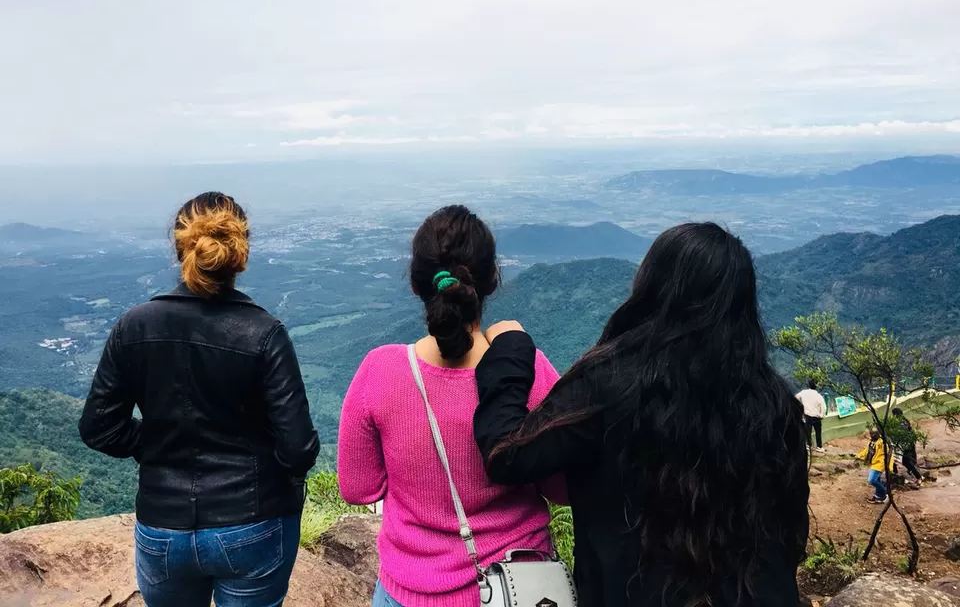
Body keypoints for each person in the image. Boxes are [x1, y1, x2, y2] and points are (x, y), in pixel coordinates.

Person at [474, 222, 810, 607]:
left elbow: (507, 454)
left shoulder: (609, 383)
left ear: (653, 288)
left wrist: (511, 352)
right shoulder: (775, 405)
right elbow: (791, 535)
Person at [79, 192, 320, 607]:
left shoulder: (134, 326)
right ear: (240, 252)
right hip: (254, 521)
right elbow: (297, 448)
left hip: (163, 527)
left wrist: (153, 444)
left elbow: (99, 427)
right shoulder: (264, 332)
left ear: (180, 246)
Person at [338, 205, 565, 607]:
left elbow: (359, 489)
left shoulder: (380, 370)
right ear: (491, 281)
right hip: (518, 586)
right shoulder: (530, 369)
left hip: (408, 590)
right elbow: (562, 488)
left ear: (416, 286)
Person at [857, 430, 892, 504]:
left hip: (880, 464)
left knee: (871, 480)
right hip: (874, 463)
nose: (871, 435)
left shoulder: (882, 443)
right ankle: (878, 497)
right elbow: (867, 450)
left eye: (873, 434)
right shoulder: (872, 442)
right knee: (877, 480)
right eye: (871, 433)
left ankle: (885, 493)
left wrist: (889, 466)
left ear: (878, 434)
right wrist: (859, 455)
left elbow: (890, 453)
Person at [892, 408, 924, 484]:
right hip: (907, 444)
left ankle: (918, 477)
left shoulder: (901, 422)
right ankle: (918, 477)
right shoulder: (904, 421)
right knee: (905, 461)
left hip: (906, 445)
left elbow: (902, 434)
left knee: (905, 461)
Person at [796, 380, 828, 453]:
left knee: (808, 431)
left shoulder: (804, 392)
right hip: (816, 417)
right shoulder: (819, 396)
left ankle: (808, 445)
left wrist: (801, 406)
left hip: (807, 416)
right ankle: (819, 447)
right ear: (816, 387)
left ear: (808, 385)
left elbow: (796, 397)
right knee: (818, 432)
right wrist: (821, 416)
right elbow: (823, 407)